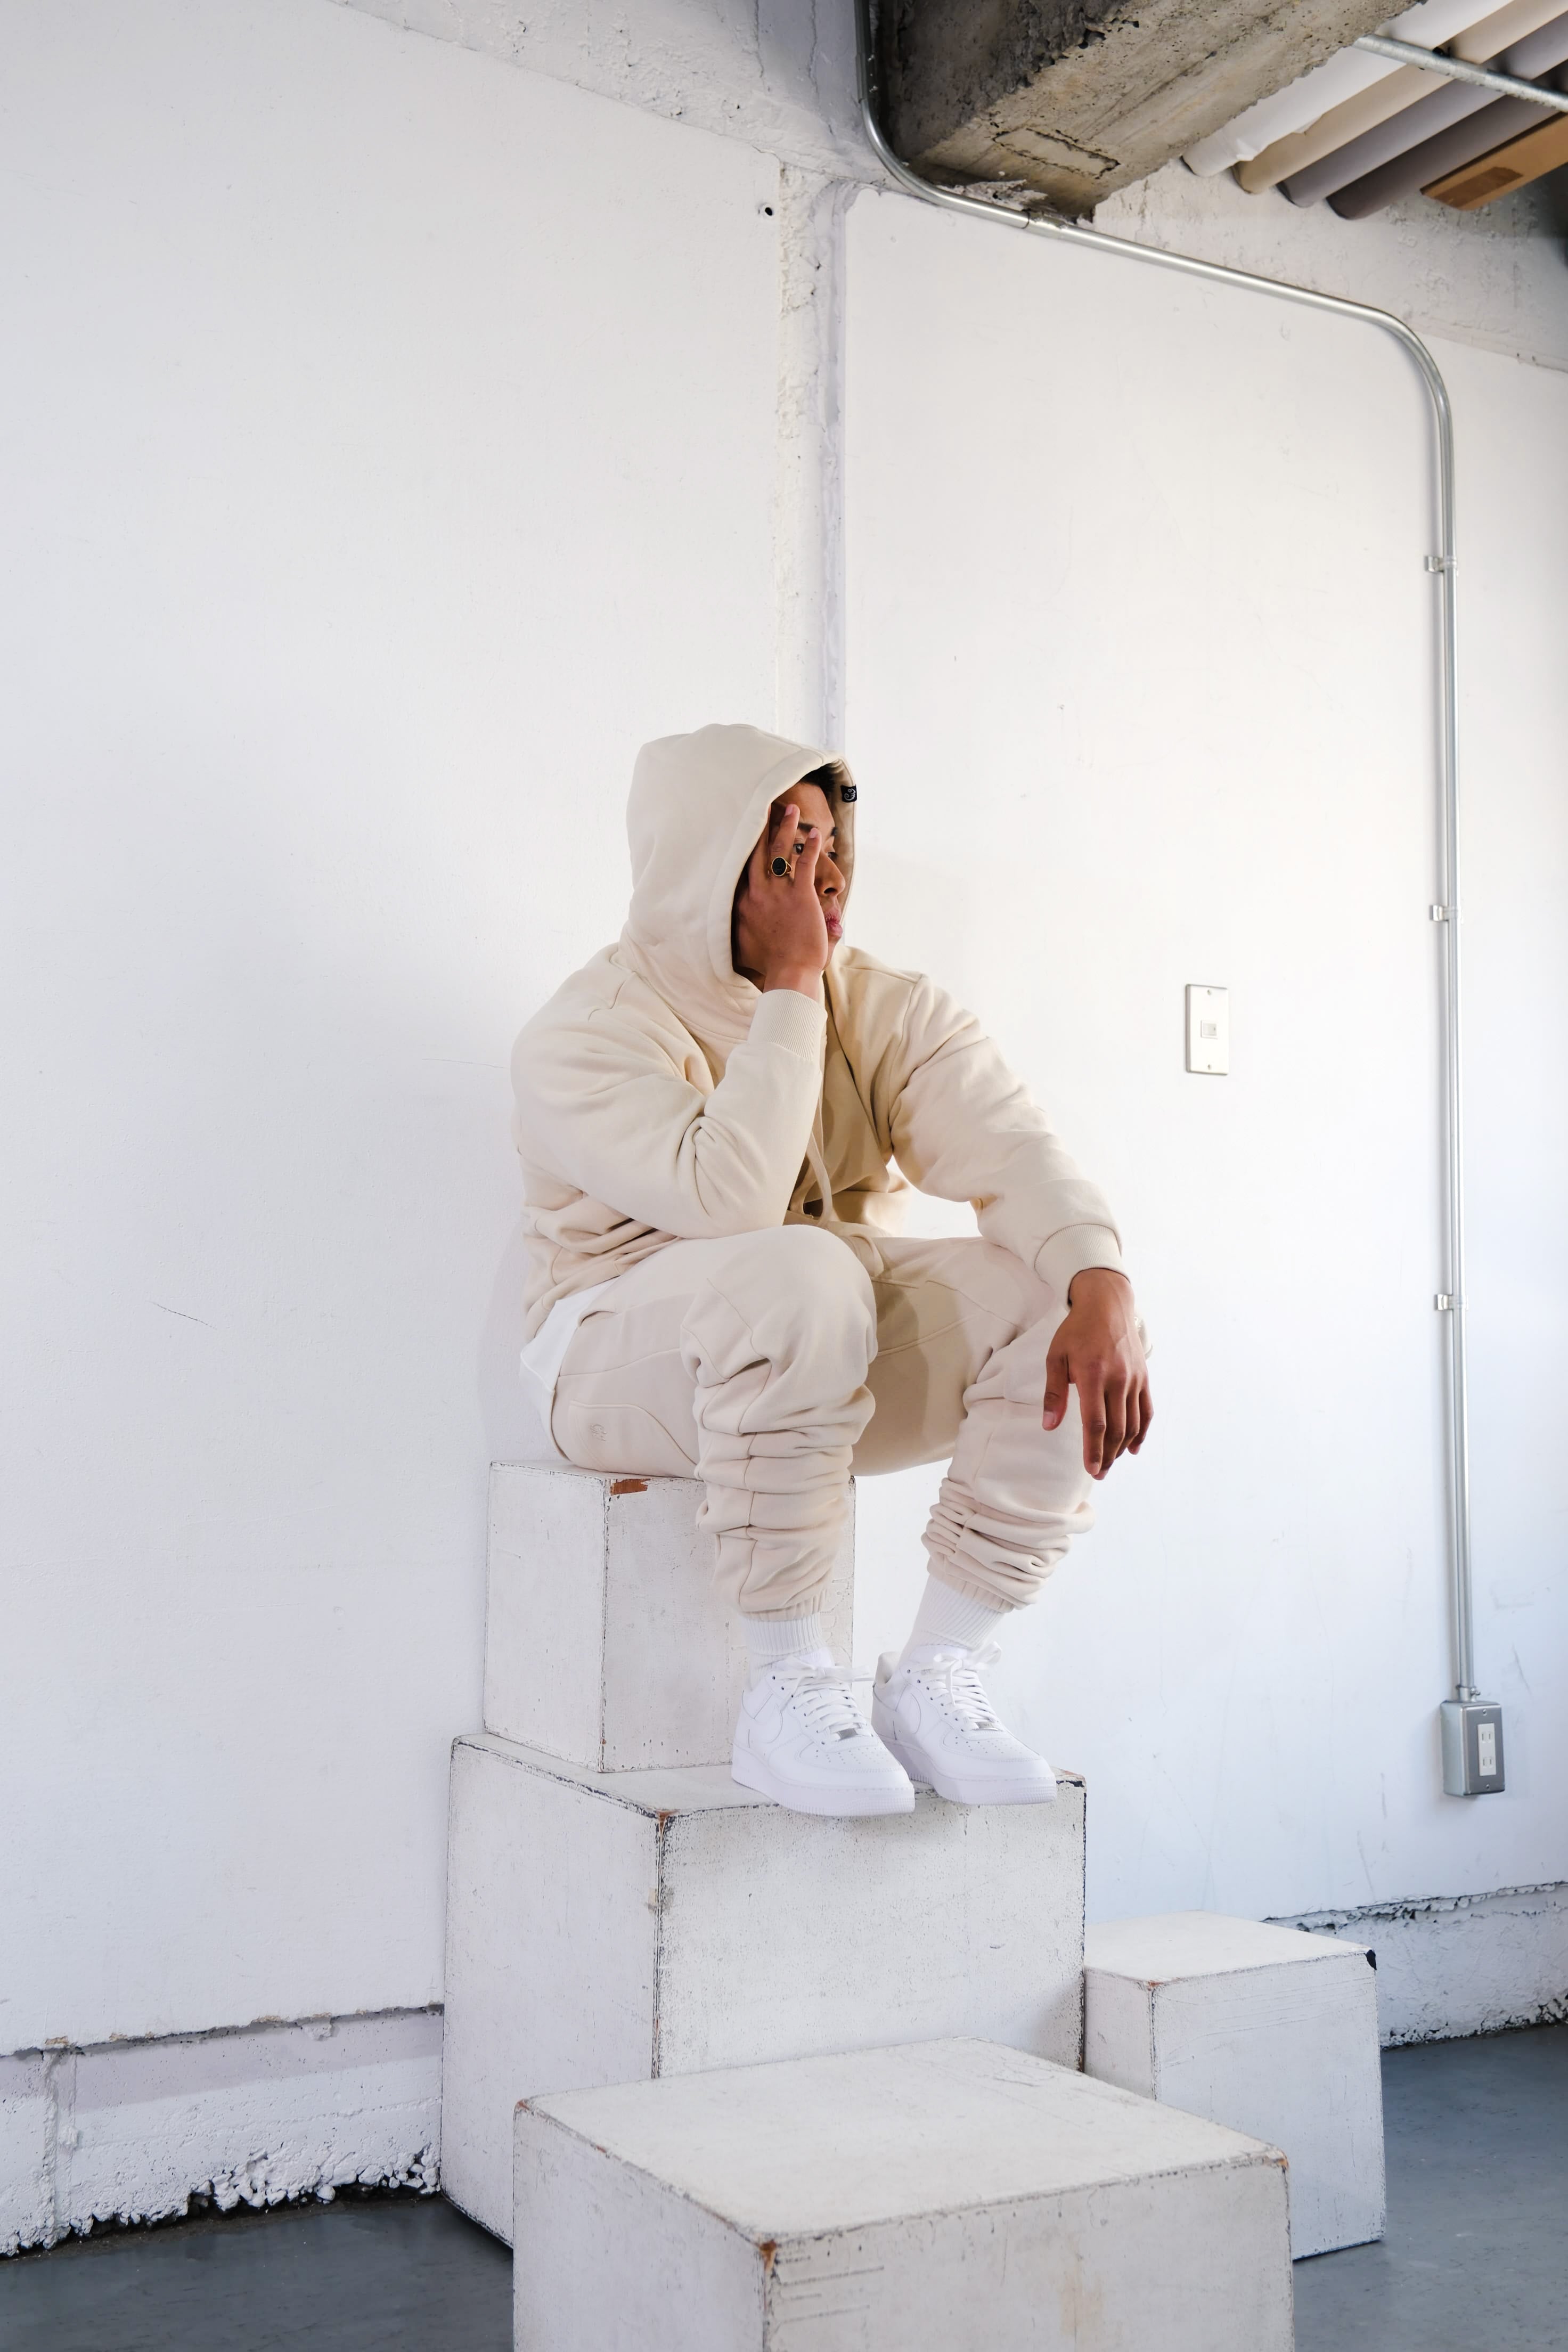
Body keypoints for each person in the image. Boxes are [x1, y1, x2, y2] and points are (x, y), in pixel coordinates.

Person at [511, 724, 1150, 1818]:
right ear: (706, 863)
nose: (824, 876)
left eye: (830, 843)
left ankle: (940, 1670)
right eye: (786, 850)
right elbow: (730, 1201)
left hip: (814, 1339)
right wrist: (792, 983)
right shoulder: (583, 1033)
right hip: (615, 1359)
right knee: (798, 1273)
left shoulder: (883, 1003)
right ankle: (786, 1682)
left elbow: (1008, 1146)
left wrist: (1102, 1280)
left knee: (1058, 1303)